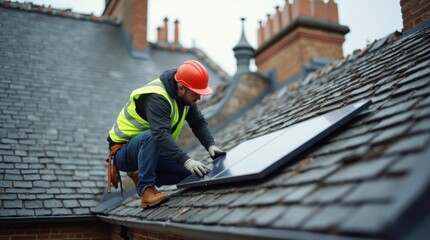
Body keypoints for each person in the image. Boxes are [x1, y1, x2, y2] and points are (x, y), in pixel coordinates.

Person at [106, 60, 225, 208]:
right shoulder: (157, 98)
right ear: (181, 88)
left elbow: (198, 122)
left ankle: (140, 172)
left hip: (151, 151)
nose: (199, 98)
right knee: (153, 136)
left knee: (192, 175)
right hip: (123, 152)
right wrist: (187, 160)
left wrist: (210, 145)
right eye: (196, 93)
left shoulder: (186, 99)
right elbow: (160, 135)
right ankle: (146, 190)